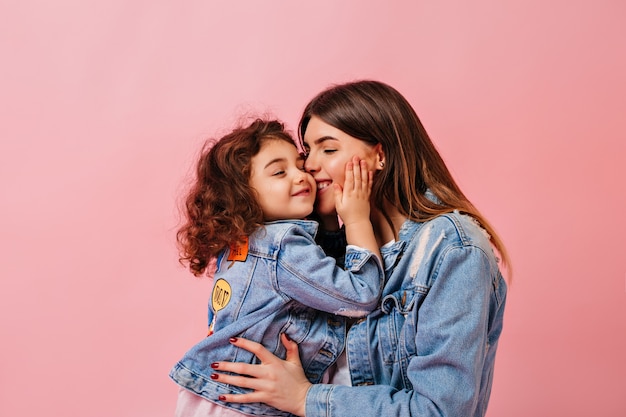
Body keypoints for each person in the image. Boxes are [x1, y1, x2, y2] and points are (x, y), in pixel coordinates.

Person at [208, 80, 511, 417]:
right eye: (307, 152)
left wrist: (304, 398)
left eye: (329, 149)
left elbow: (440, 410)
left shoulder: (452, 249)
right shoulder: (321, 245)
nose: (308, 166)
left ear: (379, 155)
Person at [169, 118, 384, 417]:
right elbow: (360, 295)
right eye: (280, 172)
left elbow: (321, 278)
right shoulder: (281, 246)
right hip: (244, 404)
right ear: (242, 194)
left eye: (299, 164)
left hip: (215, 395)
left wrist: (330, 224)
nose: (302, 176)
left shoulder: (243, 243)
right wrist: (358, 219)